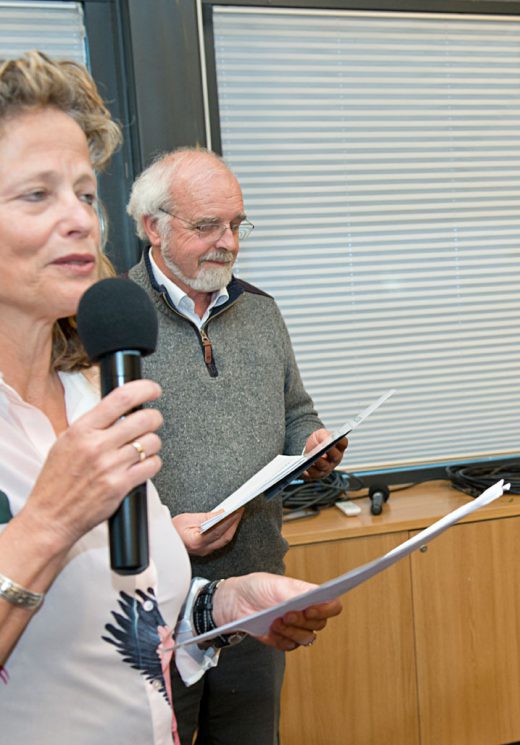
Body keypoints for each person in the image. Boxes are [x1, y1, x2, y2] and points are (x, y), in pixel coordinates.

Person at [0, 51, 342, 745]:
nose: (79, 221)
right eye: (37, 195)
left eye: (86, 194)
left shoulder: (91, 389)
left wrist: (223, 603)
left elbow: (125, 619)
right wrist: (47, 522)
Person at [125, 146, 347, 744]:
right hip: (150, 603)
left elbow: (296, 411)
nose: (228, 242)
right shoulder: (111, 327)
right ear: (154, 226)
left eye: (236, 224)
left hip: (255, 591)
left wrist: (314, 442)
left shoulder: (261, 312)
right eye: (207, 226)